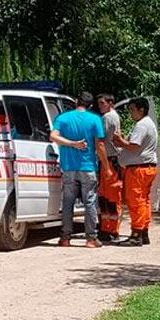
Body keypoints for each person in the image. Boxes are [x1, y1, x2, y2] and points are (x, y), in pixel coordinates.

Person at [50, 91, 113, 248]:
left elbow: (53, 136)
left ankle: (65, 238)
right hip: (87, 167)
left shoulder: (63, 118)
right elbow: (99, 145)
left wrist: (71, 143)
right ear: (91, 105)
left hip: (68, 167)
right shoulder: (95, 120)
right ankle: (91, 239)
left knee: (67, 203)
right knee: (90, 202)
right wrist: (107, 167)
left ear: (76, 101)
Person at [113, 98, 159, 247]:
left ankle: (136, 234)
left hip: (138, 169)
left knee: (136, 201)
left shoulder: (141, 125)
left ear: (141, 110)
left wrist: (120, 141)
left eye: (132, 109)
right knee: (144, 200)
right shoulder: (149, 124)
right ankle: (143, 231)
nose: (131, 113)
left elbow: (133, 147)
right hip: (147, 167)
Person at [96, 93, 124, 243]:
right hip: (110, 160)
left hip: (109, 161)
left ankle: (111, 230)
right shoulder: (113, 116)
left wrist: (105, 166)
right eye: (99, 103)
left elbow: (101, 141)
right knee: (107, 197)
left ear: (110, 103)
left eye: (102, 103)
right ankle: (108, 229)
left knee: (111, 197)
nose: (100, 106)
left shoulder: (107, 118)